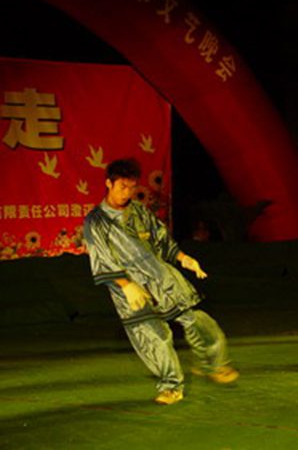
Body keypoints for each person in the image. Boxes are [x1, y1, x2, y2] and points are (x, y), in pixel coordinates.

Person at [83, 158, 239, 405]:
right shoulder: (96, 221)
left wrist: (184, 258)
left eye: (132, 187)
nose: (127, 193)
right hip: (128, 288)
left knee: (195, 319)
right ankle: (171, 386)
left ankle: (213, 363)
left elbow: (161, 239)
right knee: (151, 336)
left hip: (159, 277)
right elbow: (102, 259)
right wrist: (126, 284)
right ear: (109, 184)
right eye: (122, 186)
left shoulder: (139, 211)